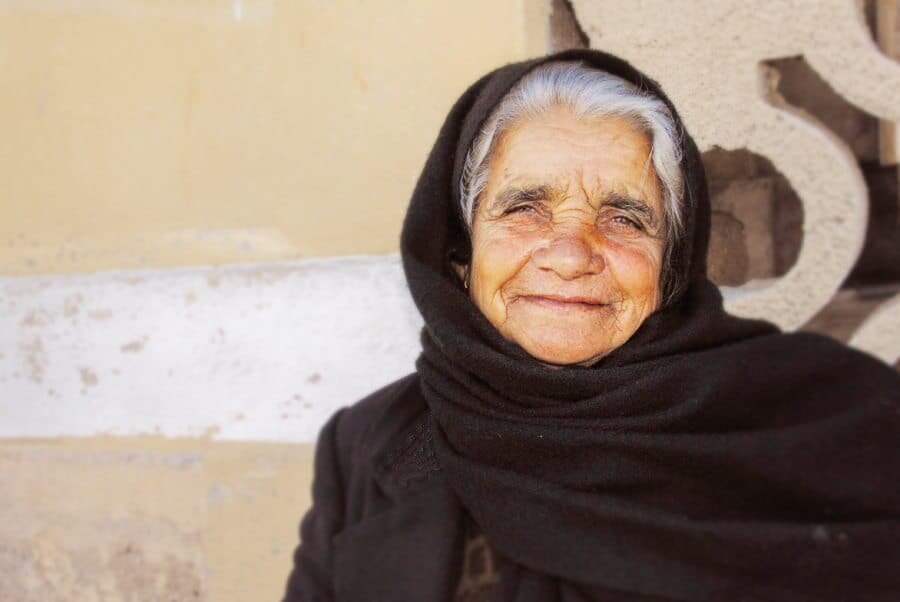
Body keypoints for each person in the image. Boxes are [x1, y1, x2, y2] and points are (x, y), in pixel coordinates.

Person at [282, 49, 900, 601]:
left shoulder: (830, 426)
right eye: (525, 209)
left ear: (674, 265)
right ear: (461, 255)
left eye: (625, 219)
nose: (572, 254)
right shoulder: (367, 444)